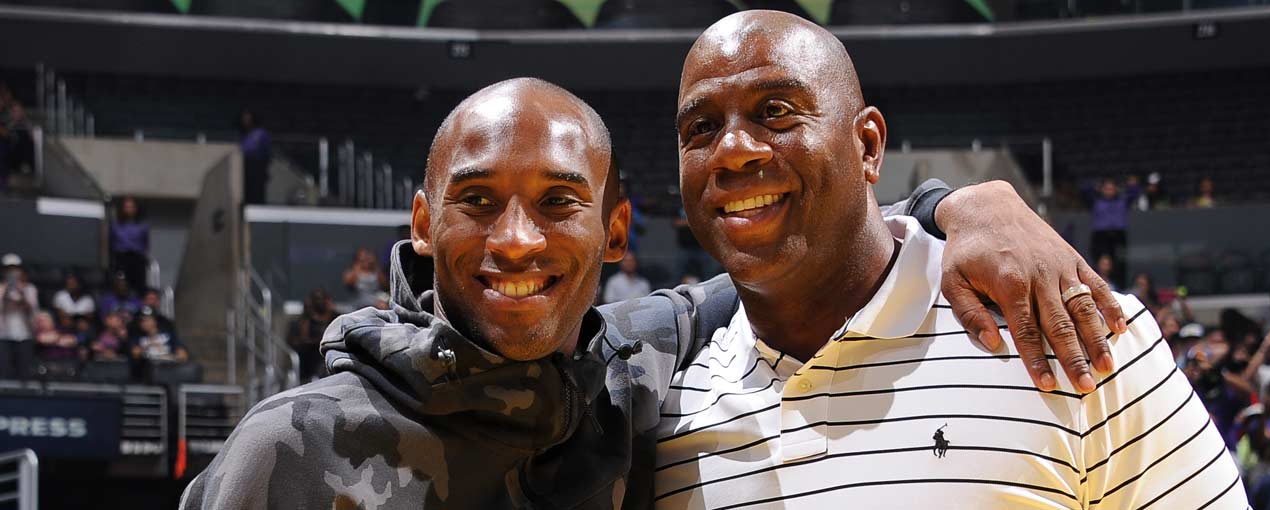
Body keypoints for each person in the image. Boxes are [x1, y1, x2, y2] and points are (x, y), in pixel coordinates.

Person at [182, 78, 1126, 508]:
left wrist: (960, 205)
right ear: (423, 224)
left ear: (615, 233)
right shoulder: (290, 450)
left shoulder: (636, 371)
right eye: (478, 201)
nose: (517, 240)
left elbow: (811, 249)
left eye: (559, 203)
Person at [653, 11, 1241, 509]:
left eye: (776, 110)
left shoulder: (1071, 326)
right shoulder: (662, 404)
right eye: (701, 128)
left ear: (868, 145)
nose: (732, 150)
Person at [1084, 177, 1139, 284]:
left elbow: (1134, 193)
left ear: (1116, 189)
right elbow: (1084, 190)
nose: (1109, 191)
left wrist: (1131, 185)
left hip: (1118, 236)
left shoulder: (1122, 201)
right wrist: (1095, 186)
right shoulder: (1096, 201)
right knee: (1098, 262)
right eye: (1106, 189)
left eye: (1111, 189)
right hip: (1100, 236)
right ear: (1102, 189)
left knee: (1119, 263)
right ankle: (1098, 284)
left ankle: (1118, 286)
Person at [284, 288, 335, 382]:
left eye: (322, 299)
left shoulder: (336, 319)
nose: (320, 303)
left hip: (328, 359)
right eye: (317, 300)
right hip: (309, 363)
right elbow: (293, 342)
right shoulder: (302, 322)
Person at [0, 253, 37, 379]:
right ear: (3, 271)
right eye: (8, 269)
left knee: (24, 374)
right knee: (3, 373)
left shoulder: (30, 289)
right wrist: (6, 291)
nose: (12, 272)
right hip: (3, 336)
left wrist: (21, 293)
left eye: (15, 269)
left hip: (24, 335)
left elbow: (32, 310)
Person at [110, 196, 151, 289]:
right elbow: (112, 241)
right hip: (121, 258)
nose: (128, 209)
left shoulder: (142, 225)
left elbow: (146, 243)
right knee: (121, 283)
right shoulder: (116, 225)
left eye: (131, 207)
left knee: (138, 284)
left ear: (136, 209)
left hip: (137, 258)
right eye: (126, 207)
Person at [240, 110, 272, 205]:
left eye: (248, 119)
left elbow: (267, 152)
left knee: (257, 193)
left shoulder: (261, 133)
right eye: (244, 119)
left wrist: (264, 168)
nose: (245, 121)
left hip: (258, 167)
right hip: (246, 167)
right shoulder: (245, 135)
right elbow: (243, 150)